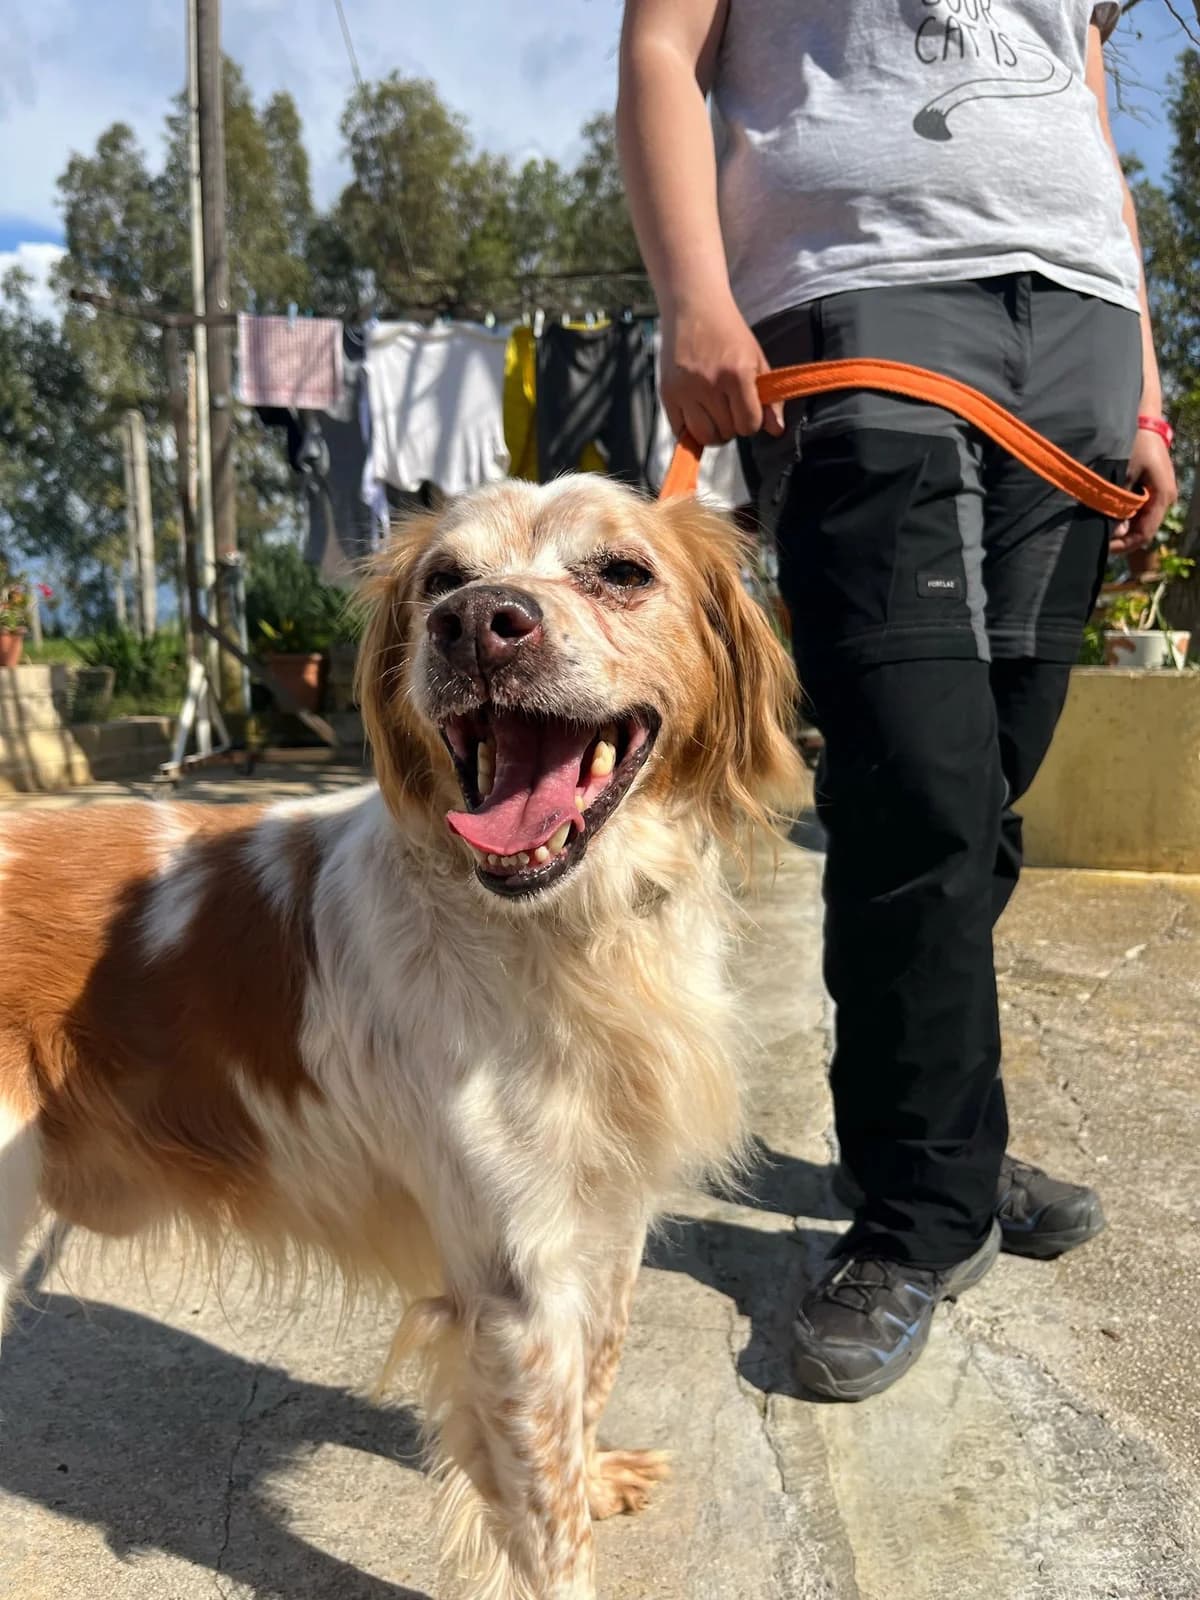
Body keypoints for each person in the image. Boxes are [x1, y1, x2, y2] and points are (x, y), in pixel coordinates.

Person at [617, 0, 1177, 1400]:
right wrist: (692, 295)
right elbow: (659, 50)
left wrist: (1151, 396)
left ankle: (936, 1141)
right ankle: (919, 1217)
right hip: (865, 295)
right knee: (913, 781)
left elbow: (1082, 105)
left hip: (1080, 335)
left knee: (981, 793)